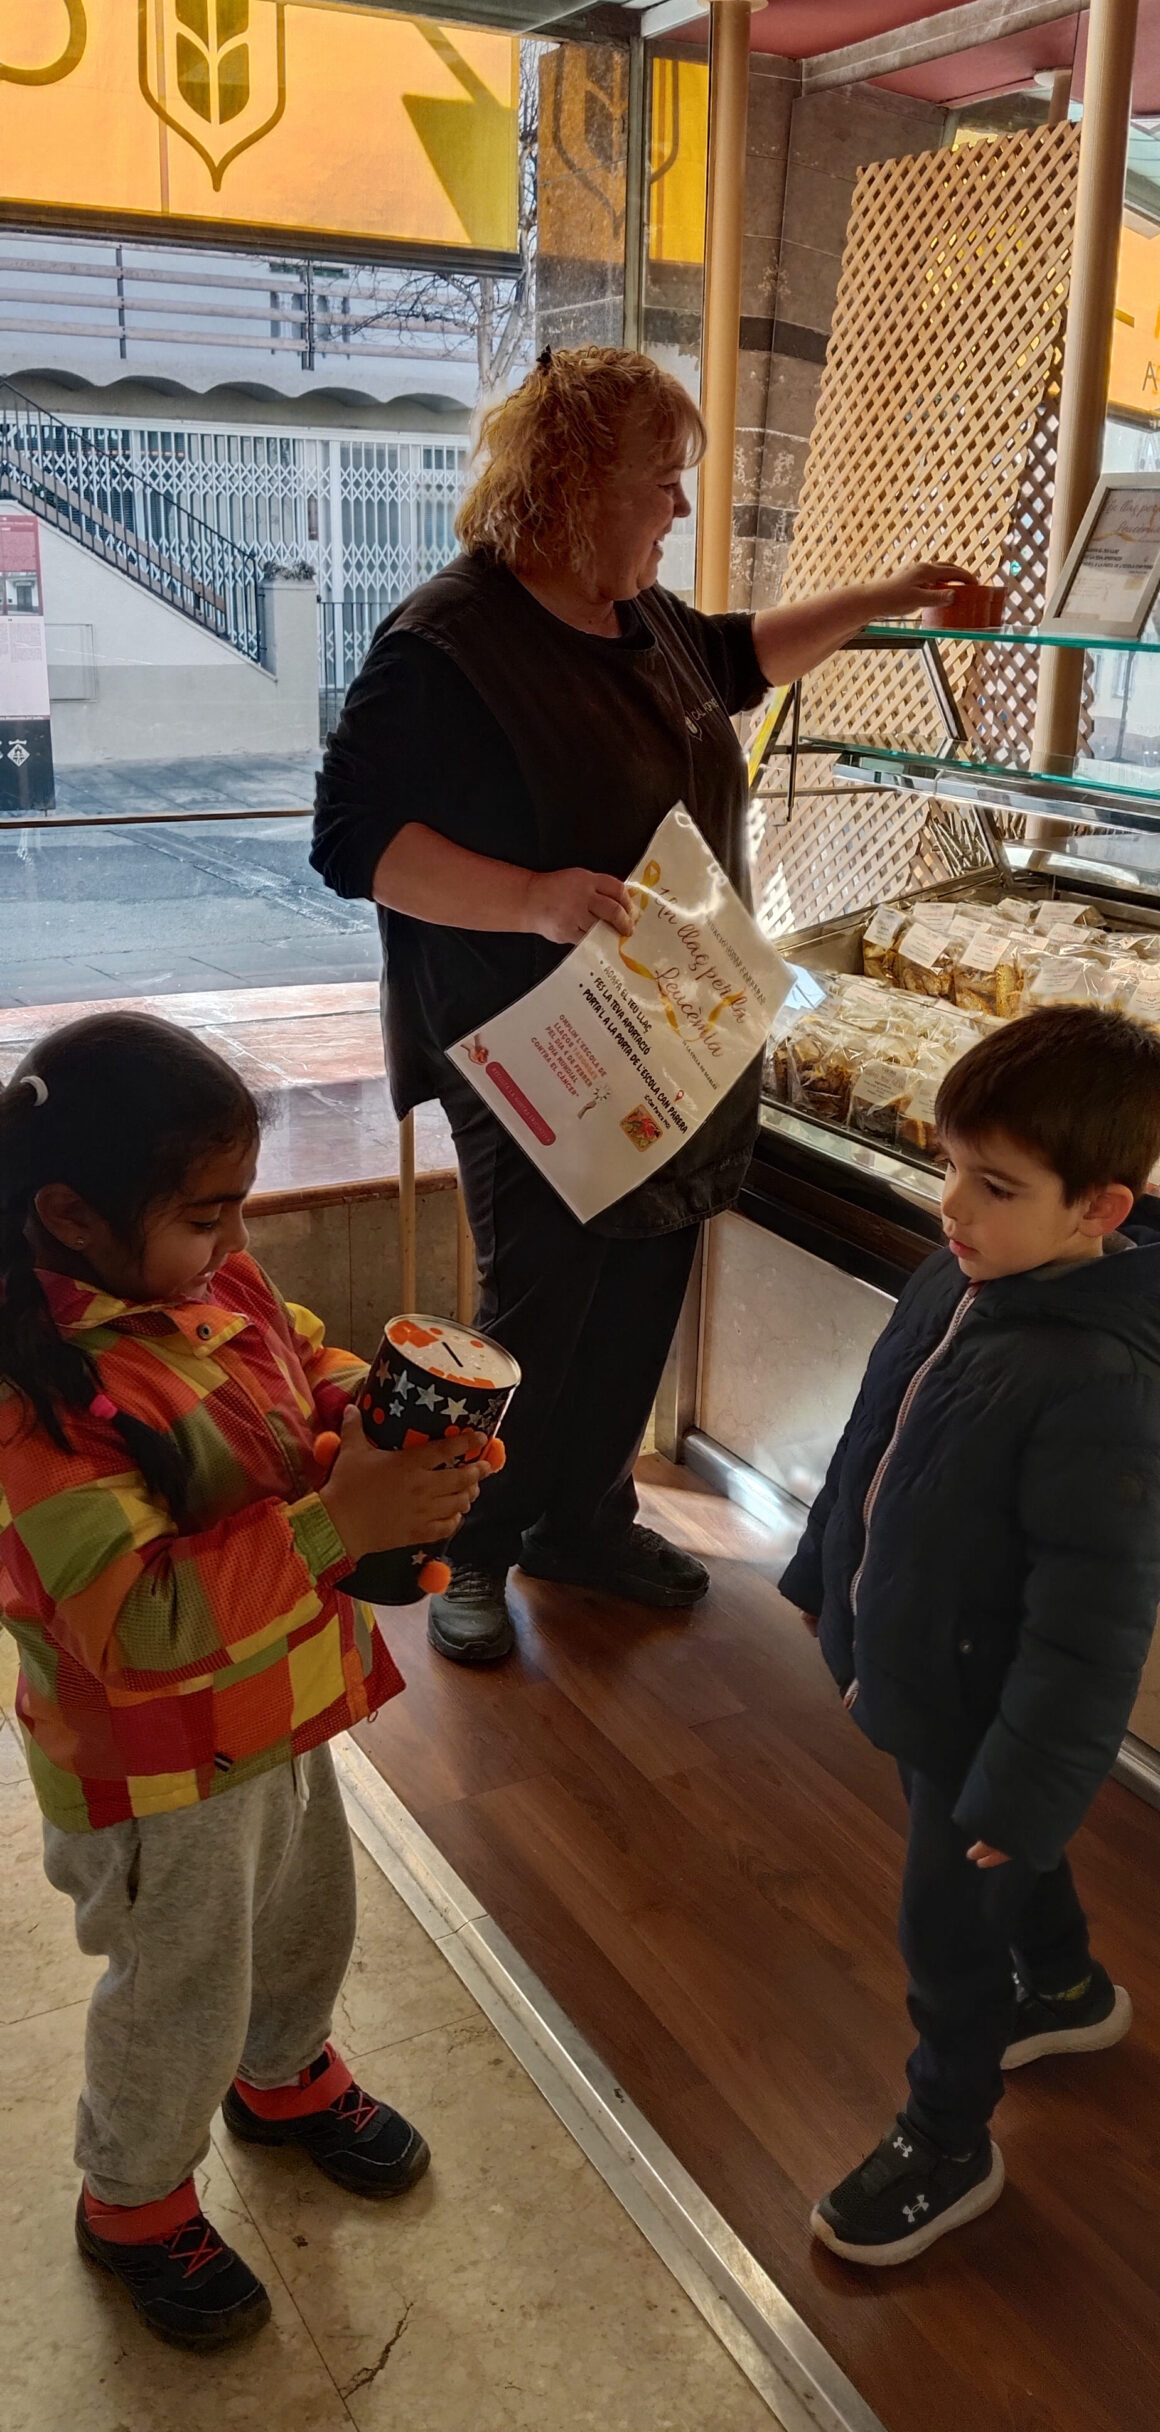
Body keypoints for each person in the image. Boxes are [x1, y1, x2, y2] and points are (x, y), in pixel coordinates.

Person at [312, 342, 971, 1667]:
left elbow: (741, 656)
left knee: (642, 1284)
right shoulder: (449, 642)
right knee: (541, 1304)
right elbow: (352, 840)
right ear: (569, 485)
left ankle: (583, 1521)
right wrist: (531, 899)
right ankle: (470, 1547)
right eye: (659, 481)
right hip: (531, 1048)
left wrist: (888, 596)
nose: (678, 506)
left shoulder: (640, 614)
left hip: (667, 1041)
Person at [0, 1013, 491, 2351]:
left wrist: (368, 1417)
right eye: (206, 1215)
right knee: (181, 1980)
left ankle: (283, 2076)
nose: (234, 1242)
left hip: (279, 1696)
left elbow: (294, 1354)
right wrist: (339, 1525)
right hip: (153, 1770)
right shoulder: (35, 1397)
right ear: (70, 1215)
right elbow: (137, 1624)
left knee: (303, 1906)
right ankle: (134, 2199)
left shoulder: (214, 1281)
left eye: (237, 1210)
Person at [779, 1007, 1160, 2267]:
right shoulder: (959, 1276)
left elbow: (1093, 1618)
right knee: (999, 1858)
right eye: (950, 1165)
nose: (951, 1203)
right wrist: (821, 1567)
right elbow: (874, 1437)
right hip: (916, 1662)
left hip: (984, 1708)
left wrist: (1029, 1781)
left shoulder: (1099, 1377)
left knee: (946, 1930)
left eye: (993, 1185)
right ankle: (1064, 1988)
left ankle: (946, 2136)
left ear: (1098, 1208)